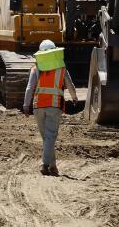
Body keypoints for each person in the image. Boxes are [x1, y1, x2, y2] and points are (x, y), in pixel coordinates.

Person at [23, 39, 78, 176]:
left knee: (47, 138)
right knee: (50, 136)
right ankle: (45, 164)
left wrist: (25, 105)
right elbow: (69, 84)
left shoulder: (35, 68)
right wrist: (74, 97)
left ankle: (53, 167)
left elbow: (30, 88)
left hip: (38, 106)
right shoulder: (61, 68)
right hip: (54, 106)